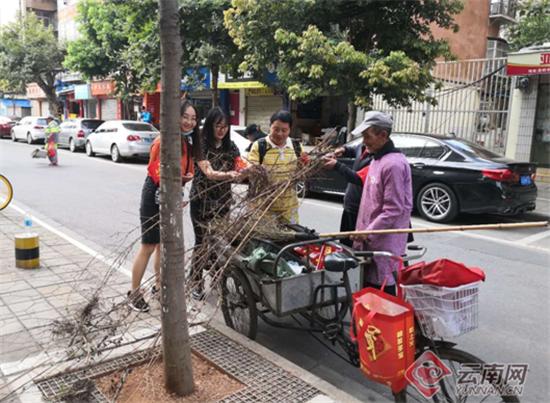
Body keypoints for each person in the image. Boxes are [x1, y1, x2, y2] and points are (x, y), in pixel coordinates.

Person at [128, 101, 202, 312]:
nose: (189, 122)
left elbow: (183, 173)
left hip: (172, 196)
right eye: (185, 117)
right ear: (175, 117)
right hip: (155, 195)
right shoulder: (164, 141)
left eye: (193, 118)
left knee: (163, 245)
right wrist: (177, 183)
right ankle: (134, 293)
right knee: (149, 245)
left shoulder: (186, 143)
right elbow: (155, 170)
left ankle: (159, 286)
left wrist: (183, 181)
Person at [351, 111, 413, 296]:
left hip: (384, 241)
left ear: (383, 136)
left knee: (383, 291)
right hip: (369, 239)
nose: (364, 142)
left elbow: (393, 209)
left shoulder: (393, 164)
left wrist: (368, 231)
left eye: (367, 136)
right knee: (368, 291)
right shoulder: (377, 159)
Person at [189, 107, 242, 300]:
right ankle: (196, 281)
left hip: (222, 202)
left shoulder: (231, 146)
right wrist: (229, 175)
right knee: (202, 243)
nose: (221, 130)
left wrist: (250, 170)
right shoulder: (200, 145)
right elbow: (209, 173)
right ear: (210, 126)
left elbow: (239, 164)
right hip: (201, 201)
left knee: (219, 242)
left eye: (225, 126)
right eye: (218, 126)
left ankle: (216, 277)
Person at [248, 110, 304, 224]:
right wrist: (255, 171)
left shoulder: (296, 146)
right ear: (270, 127)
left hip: (289, 208)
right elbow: (250, 170)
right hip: (264, 208)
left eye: (284, 130)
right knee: (267, 239)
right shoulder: (259, 146)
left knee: (290, 239)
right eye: (276, 129)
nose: (280, 134)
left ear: (290, 129)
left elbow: (302, 168)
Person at [322, 144, 372, 247]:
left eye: (367, 135)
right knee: (345, 246)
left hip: (360, 211)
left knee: (357, 249)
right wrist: (342, 149)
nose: (365, 139)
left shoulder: (378, 159)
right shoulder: (363, 147)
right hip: (349, 205)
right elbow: (354, 149)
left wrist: (337, 166)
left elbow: (358, 178)